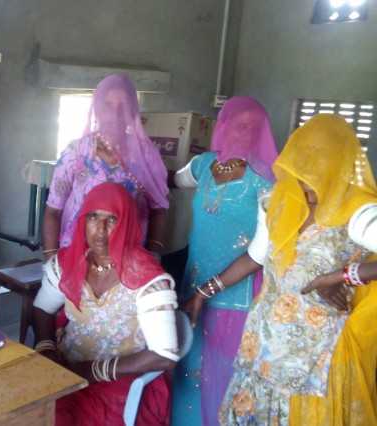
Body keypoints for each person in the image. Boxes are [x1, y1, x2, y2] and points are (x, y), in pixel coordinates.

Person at [209, 114, 377, 424]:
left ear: (340, 162)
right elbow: (256, 257)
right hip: (263, 348)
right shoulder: (278, 201)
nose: (309, 166)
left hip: (316, 354)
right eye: (304, 154)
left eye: (321, 156)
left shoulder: (358, 212)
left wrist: (342, 276)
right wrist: (203, 291)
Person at [33, 182, 179, 425]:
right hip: (65, 369)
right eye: (93, 217)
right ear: (83, 220)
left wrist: (92, 371)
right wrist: (47, 351)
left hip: (120, 378)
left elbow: (165, 356)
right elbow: (42, 309)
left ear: (127, 223)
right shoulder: (68, 262)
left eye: (112, 219)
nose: (100, 229)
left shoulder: (147, 278)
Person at [170, 96, 278, 425]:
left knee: (224, 376)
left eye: (254, 127)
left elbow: (261, 252)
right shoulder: (203, 165)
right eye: (239, 125)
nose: (246, 132)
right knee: (188, 366)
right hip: (193, 281)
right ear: (223, 127)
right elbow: (172, 180)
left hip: (237, 293)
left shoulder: (266, 179)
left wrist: (207, 290)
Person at [42, 74, 169, 263]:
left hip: (129, 258)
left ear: (133, 111)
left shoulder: (146, 153)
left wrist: (152, 255)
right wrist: (51, 262)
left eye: (123, 106)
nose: (115, 114)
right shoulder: (76, 151)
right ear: (96, 108)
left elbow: (159, 209)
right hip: (77, 257)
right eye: (107, 105)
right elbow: (54, 211)